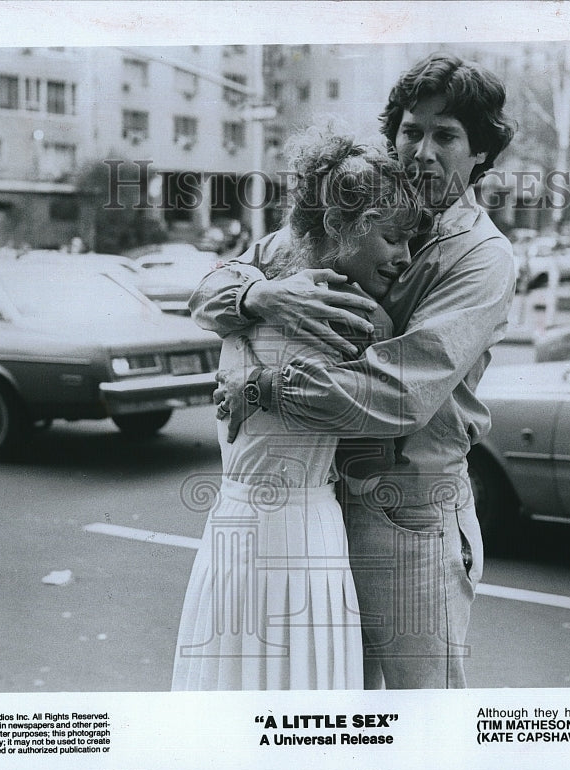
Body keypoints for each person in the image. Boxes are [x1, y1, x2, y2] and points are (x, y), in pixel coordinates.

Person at [189, 53, 517, 689]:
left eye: (446, 136)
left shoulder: (481, 258)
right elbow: (207, 290)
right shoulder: (341, 221)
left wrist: (263, 386)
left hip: (406, 509)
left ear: (479, 153)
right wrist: (260, 297)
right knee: (340, 706)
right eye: (410, 131)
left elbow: (399, 392)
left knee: (421, 715)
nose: (422, 151)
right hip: (321, 504)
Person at [171, 132, 428, 691]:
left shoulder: (260, 281)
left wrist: (258, 378)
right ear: (342, 226)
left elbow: (209, 294)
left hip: (234, 522)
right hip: (299, 528)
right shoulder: (354, 316)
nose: (405, 257)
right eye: (393, 238)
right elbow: (378, 404)